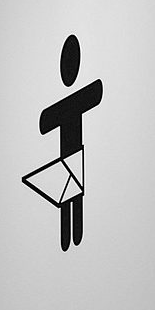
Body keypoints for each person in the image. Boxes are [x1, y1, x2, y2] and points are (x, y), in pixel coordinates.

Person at [39, 35, 103, 250]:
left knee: (73, 200)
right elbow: (43, 123)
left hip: (72, 153)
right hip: (69, 154)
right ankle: (70, 237)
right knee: (70, 202)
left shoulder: (84, 94)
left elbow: (43, 123)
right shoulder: (83, 96)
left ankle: (72, 237)